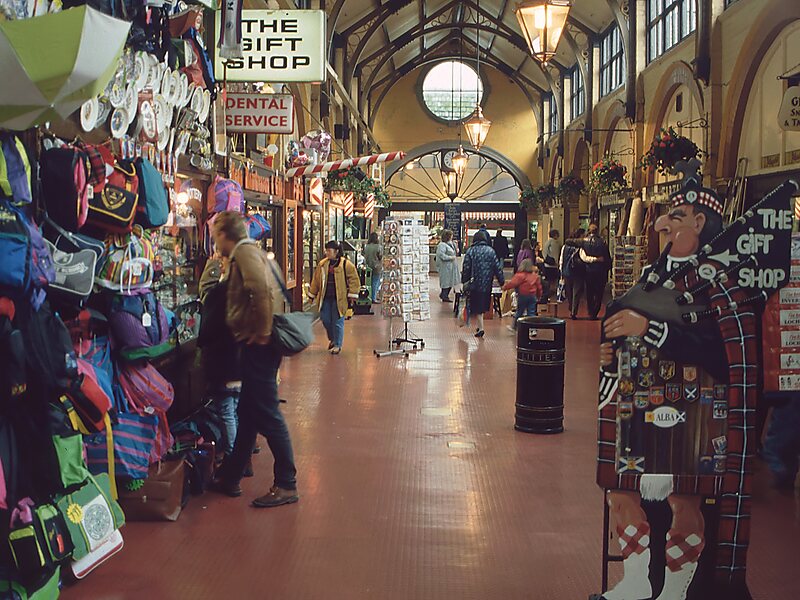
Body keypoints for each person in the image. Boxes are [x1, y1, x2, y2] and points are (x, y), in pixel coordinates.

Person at [210, 211, 298, 509]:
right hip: (258, 344)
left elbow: (259, 290)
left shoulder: (245, 253)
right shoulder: (253, 252)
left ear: (224, 234)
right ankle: (231, 474)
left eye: (215, 234)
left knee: (268, 413)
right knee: (248, 412)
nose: (214, 241)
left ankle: (287, 483)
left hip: (259, 345)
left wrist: (261, 333)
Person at [198, 254, 242, 463]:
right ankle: (243, 456)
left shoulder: (220, 295)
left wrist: (213, 263)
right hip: (242, 362)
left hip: (225, 363)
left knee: (227, 411)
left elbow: (206, 293)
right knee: (235, 409)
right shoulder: (248, 293)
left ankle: (235, 459)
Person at [308, 240, 360, 354]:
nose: (327, 252)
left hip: (339, 299)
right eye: (326, 250)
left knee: (337, 321)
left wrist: (352, 295)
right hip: (325, 298)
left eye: (329, 250)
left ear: (336, 251)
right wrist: (312, 294)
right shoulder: (322, 264)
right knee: (325, 319)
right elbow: (316, 281)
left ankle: (337, 344)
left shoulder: (346, 265)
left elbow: (354, 280)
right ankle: (333, 339)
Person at [461, 230, 504, 338]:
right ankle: (480, 326)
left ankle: (480, 327)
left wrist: (464, 281)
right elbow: (497, 268)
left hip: (474, 283)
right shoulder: (491, 251)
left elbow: (466, 267)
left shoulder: (471, 251)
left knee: (476, 307)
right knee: (481, 307)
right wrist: (501, 281)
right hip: (486, 284)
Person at [564, 224, 611, 320]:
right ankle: (595, 312)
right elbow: (607, 259)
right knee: (599, 293)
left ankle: (590, 311)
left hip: (588, 270)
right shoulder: (603, 242)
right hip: (600, 271)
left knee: (589, 292)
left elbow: (568, 241)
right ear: (597, 231)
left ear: (589, 231)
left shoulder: (584, 241)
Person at [502, 258, 542, 332]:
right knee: (531, 313)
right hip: (532, 296)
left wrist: (504, 287)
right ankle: (533, 330)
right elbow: (539, 287)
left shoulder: (520, 275)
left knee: (519, 312)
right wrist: (539, 296)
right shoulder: (535, 276)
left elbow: (512, 283)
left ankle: (514, 327)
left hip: (523, 296)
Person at [559, 228, 584, 314]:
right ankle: (574, 310)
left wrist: (561, 272)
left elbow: (561, 260)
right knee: (576, 292)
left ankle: (570, 305)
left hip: (567, 272)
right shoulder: (580, 247)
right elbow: (583, 258)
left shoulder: (564, 247)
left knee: (569, 291)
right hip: (578, 272)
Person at [435, 229, 459, 302]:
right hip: (445, 267)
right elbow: (441, 255)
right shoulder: (442, 245)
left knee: (451, 281)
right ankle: (444, 295)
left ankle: (444, 294)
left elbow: (456, 251)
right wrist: (451, 258)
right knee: (446, 281)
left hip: (451, 267)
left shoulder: (450, 244)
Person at [362, 232, 382, 303]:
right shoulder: (378, 247)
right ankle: (373, 298)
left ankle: (369, 296)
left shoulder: (366, 246)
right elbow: (380, 256)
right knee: (375, 282)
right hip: (376, 267)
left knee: (369, 283)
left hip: (368, 266)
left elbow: (364, 255)